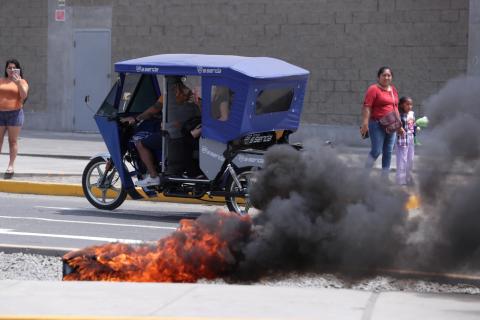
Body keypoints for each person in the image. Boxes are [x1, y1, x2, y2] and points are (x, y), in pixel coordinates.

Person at [121, 77, 199, 187]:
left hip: (173, 134)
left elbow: (154, 109)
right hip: (185, 132)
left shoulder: (170, 93)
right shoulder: (188, 92)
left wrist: (136, 119)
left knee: (140, 143)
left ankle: (153, 176)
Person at [360, 66, 403, 177]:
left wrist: (399, 126)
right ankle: (364, 175)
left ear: (391, 77)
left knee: (388, 152)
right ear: (378, 77)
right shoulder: (373, 89)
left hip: (392, 124)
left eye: (389, 75)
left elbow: (395, 108)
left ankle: (384, 178)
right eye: (384, 75)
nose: (386, 77)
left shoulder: (393, 90)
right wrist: (365, 123)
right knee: (376, 151)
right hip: (376, 124)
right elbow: (367, 107)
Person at [0, 59, 29, 179]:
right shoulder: (1, 80)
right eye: (9, 68)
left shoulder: (22, 81)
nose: (11, 70)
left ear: (18, 69)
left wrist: (18, 83)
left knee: (12, 141)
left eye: (14, 68)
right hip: (0, 114)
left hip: (15, 114)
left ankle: (11, 166)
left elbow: (24, 95)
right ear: (6, 69)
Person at [395, 96, 416, 186]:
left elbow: (412, 125)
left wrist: (416, 128)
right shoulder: (398, 115)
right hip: (402, 139)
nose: (410, 106)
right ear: (402, 105)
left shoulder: (411, 114)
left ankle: (408, 177)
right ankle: (400, 180)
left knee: (410, 159)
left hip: (410, 138)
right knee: (402, 159)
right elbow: (395, 126)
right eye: (407, 104)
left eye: (411, 104)